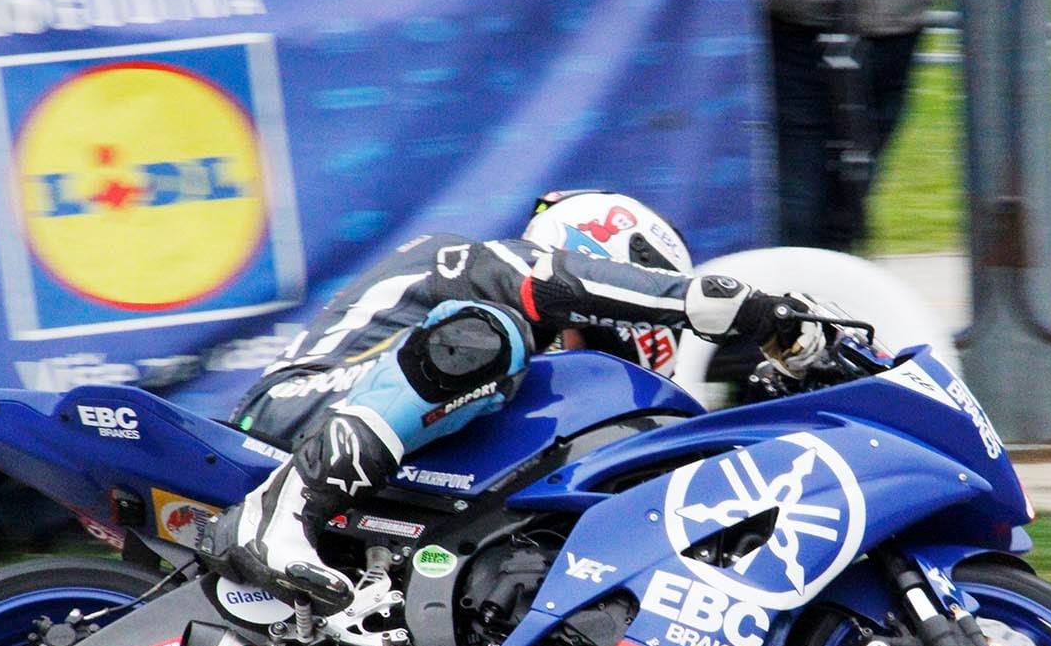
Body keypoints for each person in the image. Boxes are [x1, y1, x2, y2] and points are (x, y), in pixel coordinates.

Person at [206, 190, 829, 604]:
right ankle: (278, 514)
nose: (582, 358)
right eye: (593, 338)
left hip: (382, 461)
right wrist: (740, 310)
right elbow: (558, 283)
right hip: (293, 407)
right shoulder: (481, 264)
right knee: (490, 337)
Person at [761, 0, 932, 251]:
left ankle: (830, 263)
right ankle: (799, 270)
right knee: (800, 199)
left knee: (848, 196)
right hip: (799, 18)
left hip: (893, 18)